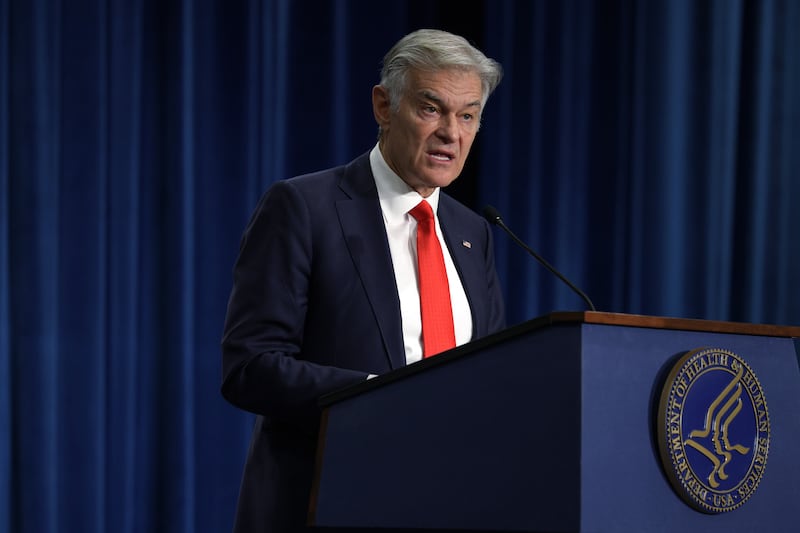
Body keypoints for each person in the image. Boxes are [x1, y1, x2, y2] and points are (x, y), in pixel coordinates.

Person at [221, 28, 505, 533]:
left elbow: (494, 377)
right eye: (430, 108)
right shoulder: (303, 209)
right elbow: (251, 366)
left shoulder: (473, 233)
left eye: (467, 116)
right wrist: (380, 399)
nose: (450, 133)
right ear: (383, 106)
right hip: (328, 504)